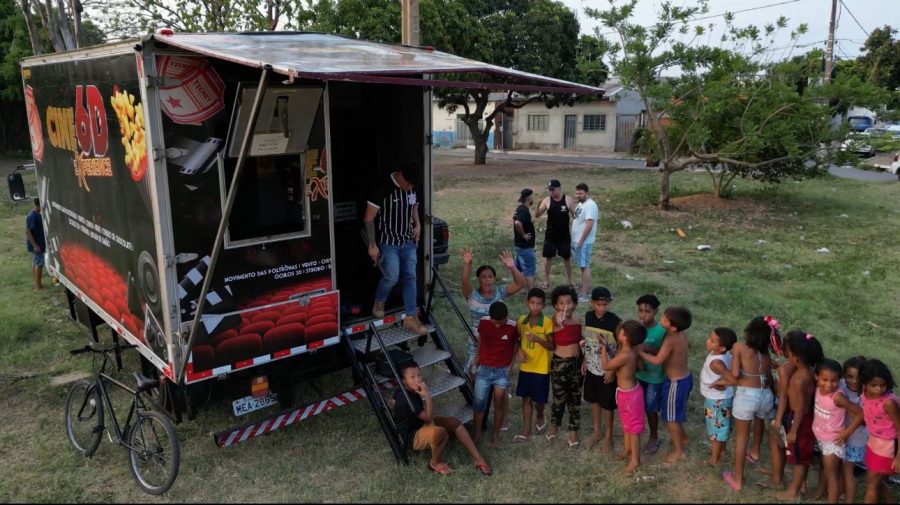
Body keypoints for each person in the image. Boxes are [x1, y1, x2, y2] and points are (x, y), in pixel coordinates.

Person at [391, 360, 492, 476]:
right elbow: (428, 418)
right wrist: (427, 396)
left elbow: (393, 400)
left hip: (421, 423)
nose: (418, 379)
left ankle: (478, 459)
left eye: (419, 375)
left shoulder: (405, 389)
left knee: (455, 422)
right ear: (404, 381)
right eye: (412, 377)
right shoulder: (406, 398)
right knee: (441, 432)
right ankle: (435, 463)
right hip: (412, 435)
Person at [364, 163, 428, 336]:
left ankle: (411, 317)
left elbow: (414, 206)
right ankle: (380, 301)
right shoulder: (382, 188)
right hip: (388, 242)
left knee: (411, 277)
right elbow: (369, 218)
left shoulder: (412, 187)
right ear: (399, 175)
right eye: (407, 184)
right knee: (391, 276)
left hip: (408, 241)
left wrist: (418, 224)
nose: (410, 188)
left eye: (412, 186)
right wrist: (372, 245)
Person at [721, 316, 778, 492]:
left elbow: (736, 373)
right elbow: (768, 376)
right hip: (766, 395)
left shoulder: (738, 347)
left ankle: (737, 479)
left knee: (741, 437)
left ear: (749, 331)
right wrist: (774, 396)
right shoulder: (766, 353)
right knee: (760, 419)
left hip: (747, 396)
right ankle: (755, 452)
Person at [638, 306, 693, 465]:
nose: (661, 319)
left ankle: (678, 451)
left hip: (675, 383)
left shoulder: (670, 339)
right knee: (676, 413)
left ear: (673, 327)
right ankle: (683, 438)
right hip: (685, 378)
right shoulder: (680, 333)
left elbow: (657, 361)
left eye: (664, 319)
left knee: (671, 419)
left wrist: (640, 352)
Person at [773, 331, 823, 501]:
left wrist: (793, 430)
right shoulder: (807, 371)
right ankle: (800, 485)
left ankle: (792, 491)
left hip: (799, 421)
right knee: (802, 456)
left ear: (796, 357)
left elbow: (801, 408)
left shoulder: (799, 379)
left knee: (799, 459)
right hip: (800, 418)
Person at [460, 247, 526, 375]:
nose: (486, 279)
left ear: (494, 279)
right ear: (478, 279)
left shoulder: (500, 292)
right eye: (483, 277)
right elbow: (464, 281)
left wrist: (512, 267)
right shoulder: (471, 294)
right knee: (475, 375)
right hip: (476, 341)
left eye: (490, 276)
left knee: (496, 377)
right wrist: (468, 264)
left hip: (498, 342)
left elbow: (519, 284)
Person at [811, 358, 864, 504]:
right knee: (826, 469)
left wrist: (846, 433)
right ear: (816, 377)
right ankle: (820, 492)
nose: (828, 384)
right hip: (822, 437)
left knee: (832, 475)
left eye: (833, 381)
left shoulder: (838, 396)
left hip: (833, 441)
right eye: (825, 379)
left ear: (838, 380)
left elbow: (860, 414)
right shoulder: (818, 388)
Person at [600, 320, 648, 475]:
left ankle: (635, 460)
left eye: (622, 331)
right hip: (626, 393)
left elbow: (607, 366)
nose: (619, 332)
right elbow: (622, 361)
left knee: (633, 429)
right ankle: (628, 450)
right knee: (627, 424)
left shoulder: (627, 353)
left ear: (625, 337)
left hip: (629, 396)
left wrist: (602, 348)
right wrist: (608, 347)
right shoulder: (629, 350)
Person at [472, 301, 519, 448]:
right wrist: (477, 355)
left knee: (498, 402)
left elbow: (516, 343)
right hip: (484, 369)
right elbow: (481, 338)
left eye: (501, 322)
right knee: (479, 403)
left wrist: (511, 365)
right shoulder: (484, 322)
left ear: (507, 317)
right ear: (490, 317)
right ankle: (478, 433)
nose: (498, 325)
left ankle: (496, 434)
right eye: (495, 322)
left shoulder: (512, 326)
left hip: (502, 370)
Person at [581, 286, 621, 452]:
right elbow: (588, 340)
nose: (602, 308)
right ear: (592, 303)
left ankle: (608, 436)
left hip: (607, 370)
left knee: (608, 404)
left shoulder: (615, 321)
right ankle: (597, 432)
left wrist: (612, 369)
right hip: (591, 367)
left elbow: (620, 346)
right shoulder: (588, 316)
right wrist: (585, 359)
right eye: (599, 304)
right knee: (595, 401)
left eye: (605, 304)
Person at [513, 288, 554, 442]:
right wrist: (518, 352)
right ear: (527, 304)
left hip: (541, 368)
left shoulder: (547, 322)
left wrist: (537, 339)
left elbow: (552, 346)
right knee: (526, 399)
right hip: (526, 367)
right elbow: (517, 340)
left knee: (540, 400)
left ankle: (540, 414)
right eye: (532, 303)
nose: (535, 306)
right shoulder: (522, 321)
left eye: (539, 303)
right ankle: (526, 431)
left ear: (543, 305)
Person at [545, 285, 582, 449]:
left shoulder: (578, 320)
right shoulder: (557, 319)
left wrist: (585, 360)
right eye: (561, 303)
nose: (565, 306)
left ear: (574, 303)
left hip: (576, 364)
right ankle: (554, 427)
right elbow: (557, 319)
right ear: (555, 306)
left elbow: (580, 341)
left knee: (575, 399)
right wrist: (560, 319)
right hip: (560, 363)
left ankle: (573, 431)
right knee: (559, 399)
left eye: (569, 302)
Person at [858, 358, 899, 504]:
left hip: (887, 445)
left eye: (882, 385)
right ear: (864, 383)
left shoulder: (888, 403)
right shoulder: (863, 393)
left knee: (872, 483)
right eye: (873, 385)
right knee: (876, 480)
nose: (878, 389)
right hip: (874, 441)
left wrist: (898, 457)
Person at [635, 294, 665, 455]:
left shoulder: (661, 331)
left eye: (647, 311)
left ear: (656, 312)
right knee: (639, 406)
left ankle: (654, 435)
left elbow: (664, 352)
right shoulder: (637, 327)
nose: (642, 315)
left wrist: (644, 348)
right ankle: (637, 432)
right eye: (640, 311)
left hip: (654, 377)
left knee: (651, 407)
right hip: (639, 374)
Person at [702, 327, 737, 467]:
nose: (708, 342)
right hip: (723, 397)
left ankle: (714, 458)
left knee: (716, 429)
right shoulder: (726, 354)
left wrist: (718, 382)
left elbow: (732, 379)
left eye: (712, 341)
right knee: (723, 425)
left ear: (722, 348)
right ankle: (722, 451)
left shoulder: (716, 362)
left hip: (716, 400)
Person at [534, 179, 574, 290]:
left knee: (566, 258)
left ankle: (570, 281)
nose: (551, 192)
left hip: (564, 235)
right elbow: (537, 215)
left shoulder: (568, 200)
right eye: (549, 190)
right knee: (548, 258)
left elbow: (575, 215)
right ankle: (546, 280)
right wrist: (537, 206)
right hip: (551, 235)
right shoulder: (547, 200)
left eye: (552, 189)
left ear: (559, 188)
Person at [839, 356, 868, 504]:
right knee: (842, 468)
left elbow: (864, 421)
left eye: (858, 377)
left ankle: (848, 500)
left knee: (848, 472)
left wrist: (850, 408)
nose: (854, 381)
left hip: (855, 440)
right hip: (842, 436)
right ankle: (843, 492)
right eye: (850, 376)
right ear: (844, 375)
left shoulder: (866, 395)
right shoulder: (842, 385)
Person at [570, 183, 599, 302]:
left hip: (584, 242)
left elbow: (589, 225)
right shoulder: (581, 204)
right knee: (582, 266)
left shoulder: (590, 205)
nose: (578, 195)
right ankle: (583, 289)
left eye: (581, 193)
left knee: (584, 266)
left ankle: (584, 294)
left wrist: (581, 241)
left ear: (587, 193)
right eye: (577, 193)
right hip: (577, 240)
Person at [512, 189, 537, 290]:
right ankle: (531, 292)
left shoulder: (519, 208)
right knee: (529, 270)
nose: (533, 198)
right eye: (532, 196)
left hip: (519, 245)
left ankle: (519, 287)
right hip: (525, 246)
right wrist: (524, 235)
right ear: (529, 198)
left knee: (518, 268)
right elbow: (517, 223)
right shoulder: (524, 211)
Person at [25, 198, 45, 290]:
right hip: (36, 245)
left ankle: (36, 282)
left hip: (39, 243)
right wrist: (35, 245)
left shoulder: (38, 214)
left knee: (35, 262)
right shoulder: (32, 216)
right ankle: (38, 286)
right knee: (39, 264)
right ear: (38, 205)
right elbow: (28, 232)